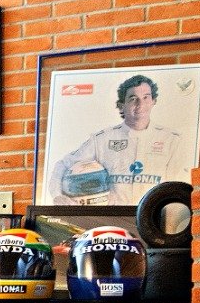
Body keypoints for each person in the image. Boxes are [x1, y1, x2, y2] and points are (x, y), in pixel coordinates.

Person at [47, 74, 190, 205]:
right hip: (111, 218)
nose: (140, 104)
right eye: (133, 99)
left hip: (151, 218)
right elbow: (62, 165)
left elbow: (178, 188)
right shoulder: (102, 140)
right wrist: (57, 195)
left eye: (146, 97)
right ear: (122, 105)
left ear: (153, 101)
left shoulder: (172, 140)